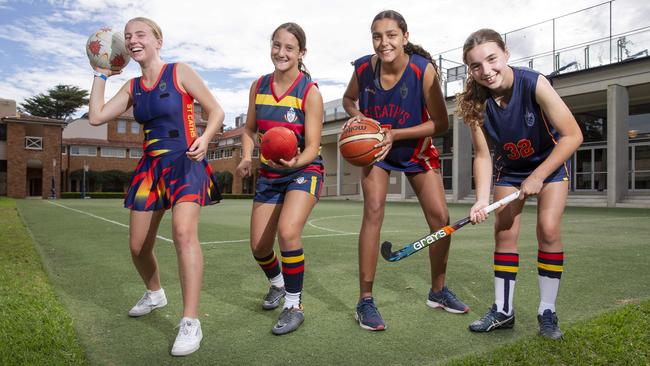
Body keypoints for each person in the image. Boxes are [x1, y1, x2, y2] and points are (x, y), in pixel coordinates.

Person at [87, 17, 224, 356]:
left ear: (158, 41)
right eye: (128, 36)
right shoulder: (132, 88)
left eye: (141, 34)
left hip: (185, 162)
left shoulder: (179, 72)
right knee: (137, 247)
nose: (133, 40)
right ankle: (155, 293)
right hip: (151, 167)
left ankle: (191, 321)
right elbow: (96, 117)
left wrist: (206, 139)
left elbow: (216, 110)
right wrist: (101, 74)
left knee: (183, 233)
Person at [342, 10, 469, 331]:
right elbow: (347, 99)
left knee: (440, 219)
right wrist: (359, 119)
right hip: (377, 152)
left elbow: (440, 124)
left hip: (415, 149)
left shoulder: (423, 71)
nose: (383, 42)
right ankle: (365, 300)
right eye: (377, 36)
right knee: (373, 211)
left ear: (405, 37)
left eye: (391, 35)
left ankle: (438, 291)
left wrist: (395, 134)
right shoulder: (363, 68)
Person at [456, 29, 583, 339]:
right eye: (476, 66)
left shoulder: (534, 83)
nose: (486, 71)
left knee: (549, 230)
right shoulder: (475, 103)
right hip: (510, 171)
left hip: (548, 165)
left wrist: (539, 175)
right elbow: (484, 156)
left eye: (491, 59)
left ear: (506, 54)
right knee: (504, 235)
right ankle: (503, 310)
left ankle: (547, 311)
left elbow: (573, 135)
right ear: (470, 70)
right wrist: (480, 199)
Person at [236, 22, 324, 335]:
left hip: (303, 170)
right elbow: (249, 129)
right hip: (270, 174)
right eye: (277, 45)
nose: (281, 52)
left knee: (288, 232)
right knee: (259, 247)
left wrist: (294, 161)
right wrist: (247, 156)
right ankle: (277, 283)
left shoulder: (309, 92)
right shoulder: (258, 85)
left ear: (301, 53)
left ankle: (293, 305)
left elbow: (313, 147)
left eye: (289, 47)